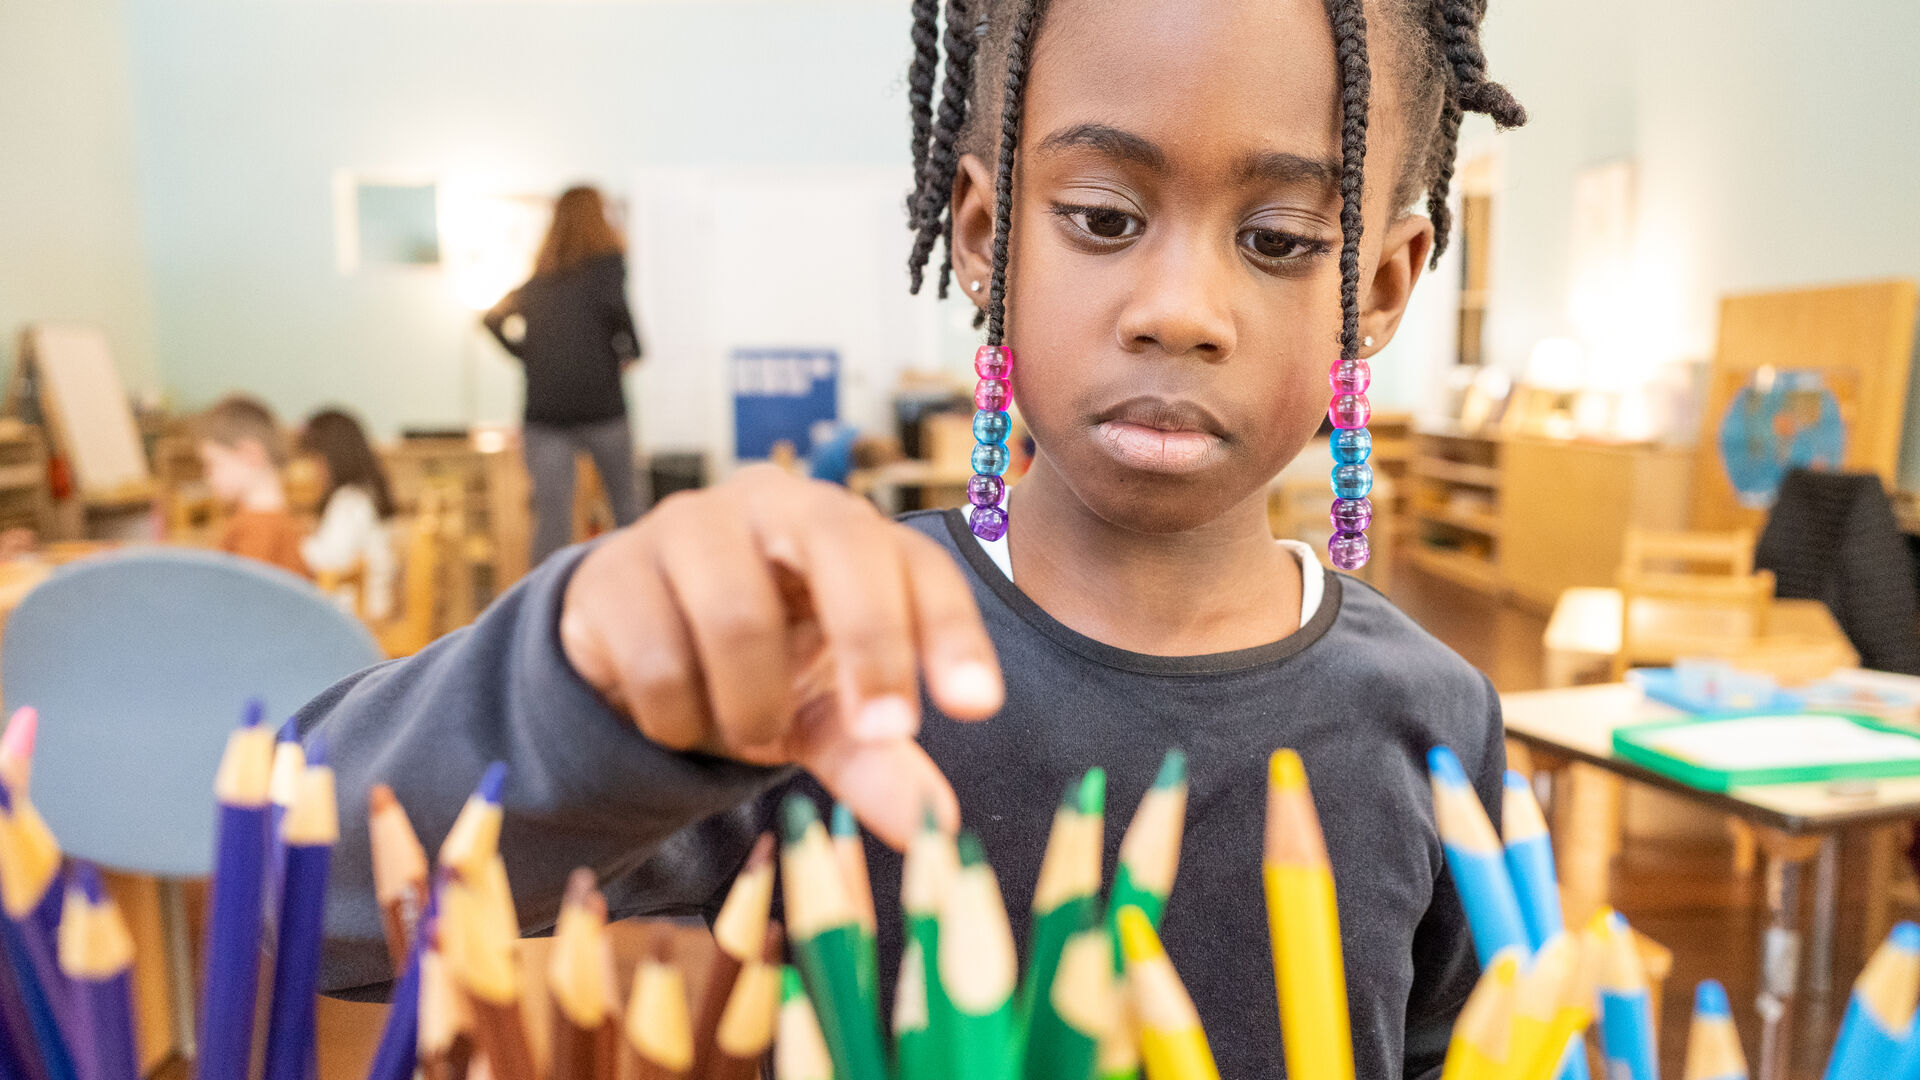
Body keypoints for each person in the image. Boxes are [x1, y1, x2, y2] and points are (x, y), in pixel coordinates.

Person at [306, 2, 1526, 1075]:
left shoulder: (1436, 716)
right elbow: (312, 901)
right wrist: (588, 683)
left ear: (1378, 286)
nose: (1178, 312)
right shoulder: (829, 656)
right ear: (986, 235)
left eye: (1278, 241)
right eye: (1103, 218)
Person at [484, 185, 644, 564]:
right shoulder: (607, 266)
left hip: (546, 413)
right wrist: (632, 350)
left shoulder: (540, 282)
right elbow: (619, 314)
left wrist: (526, 354)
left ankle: (541, 608)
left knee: (551, 517)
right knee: (626, 504)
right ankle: (642, 587)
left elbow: (492, 319)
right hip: (601, 406)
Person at [298, 408, 397, 621]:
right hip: (371, 605)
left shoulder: (349, 502)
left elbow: (329, 562)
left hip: (358, 614)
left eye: (315, 459)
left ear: (331, 457)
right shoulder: (364, 493)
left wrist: (293, 540)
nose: (313, 470)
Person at [197, 395, 307, 578]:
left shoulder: (257, 529)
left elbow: (241, 599)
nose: (207, 474)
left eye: (213, 463)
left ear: (251, 455)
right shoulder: (283, 520)